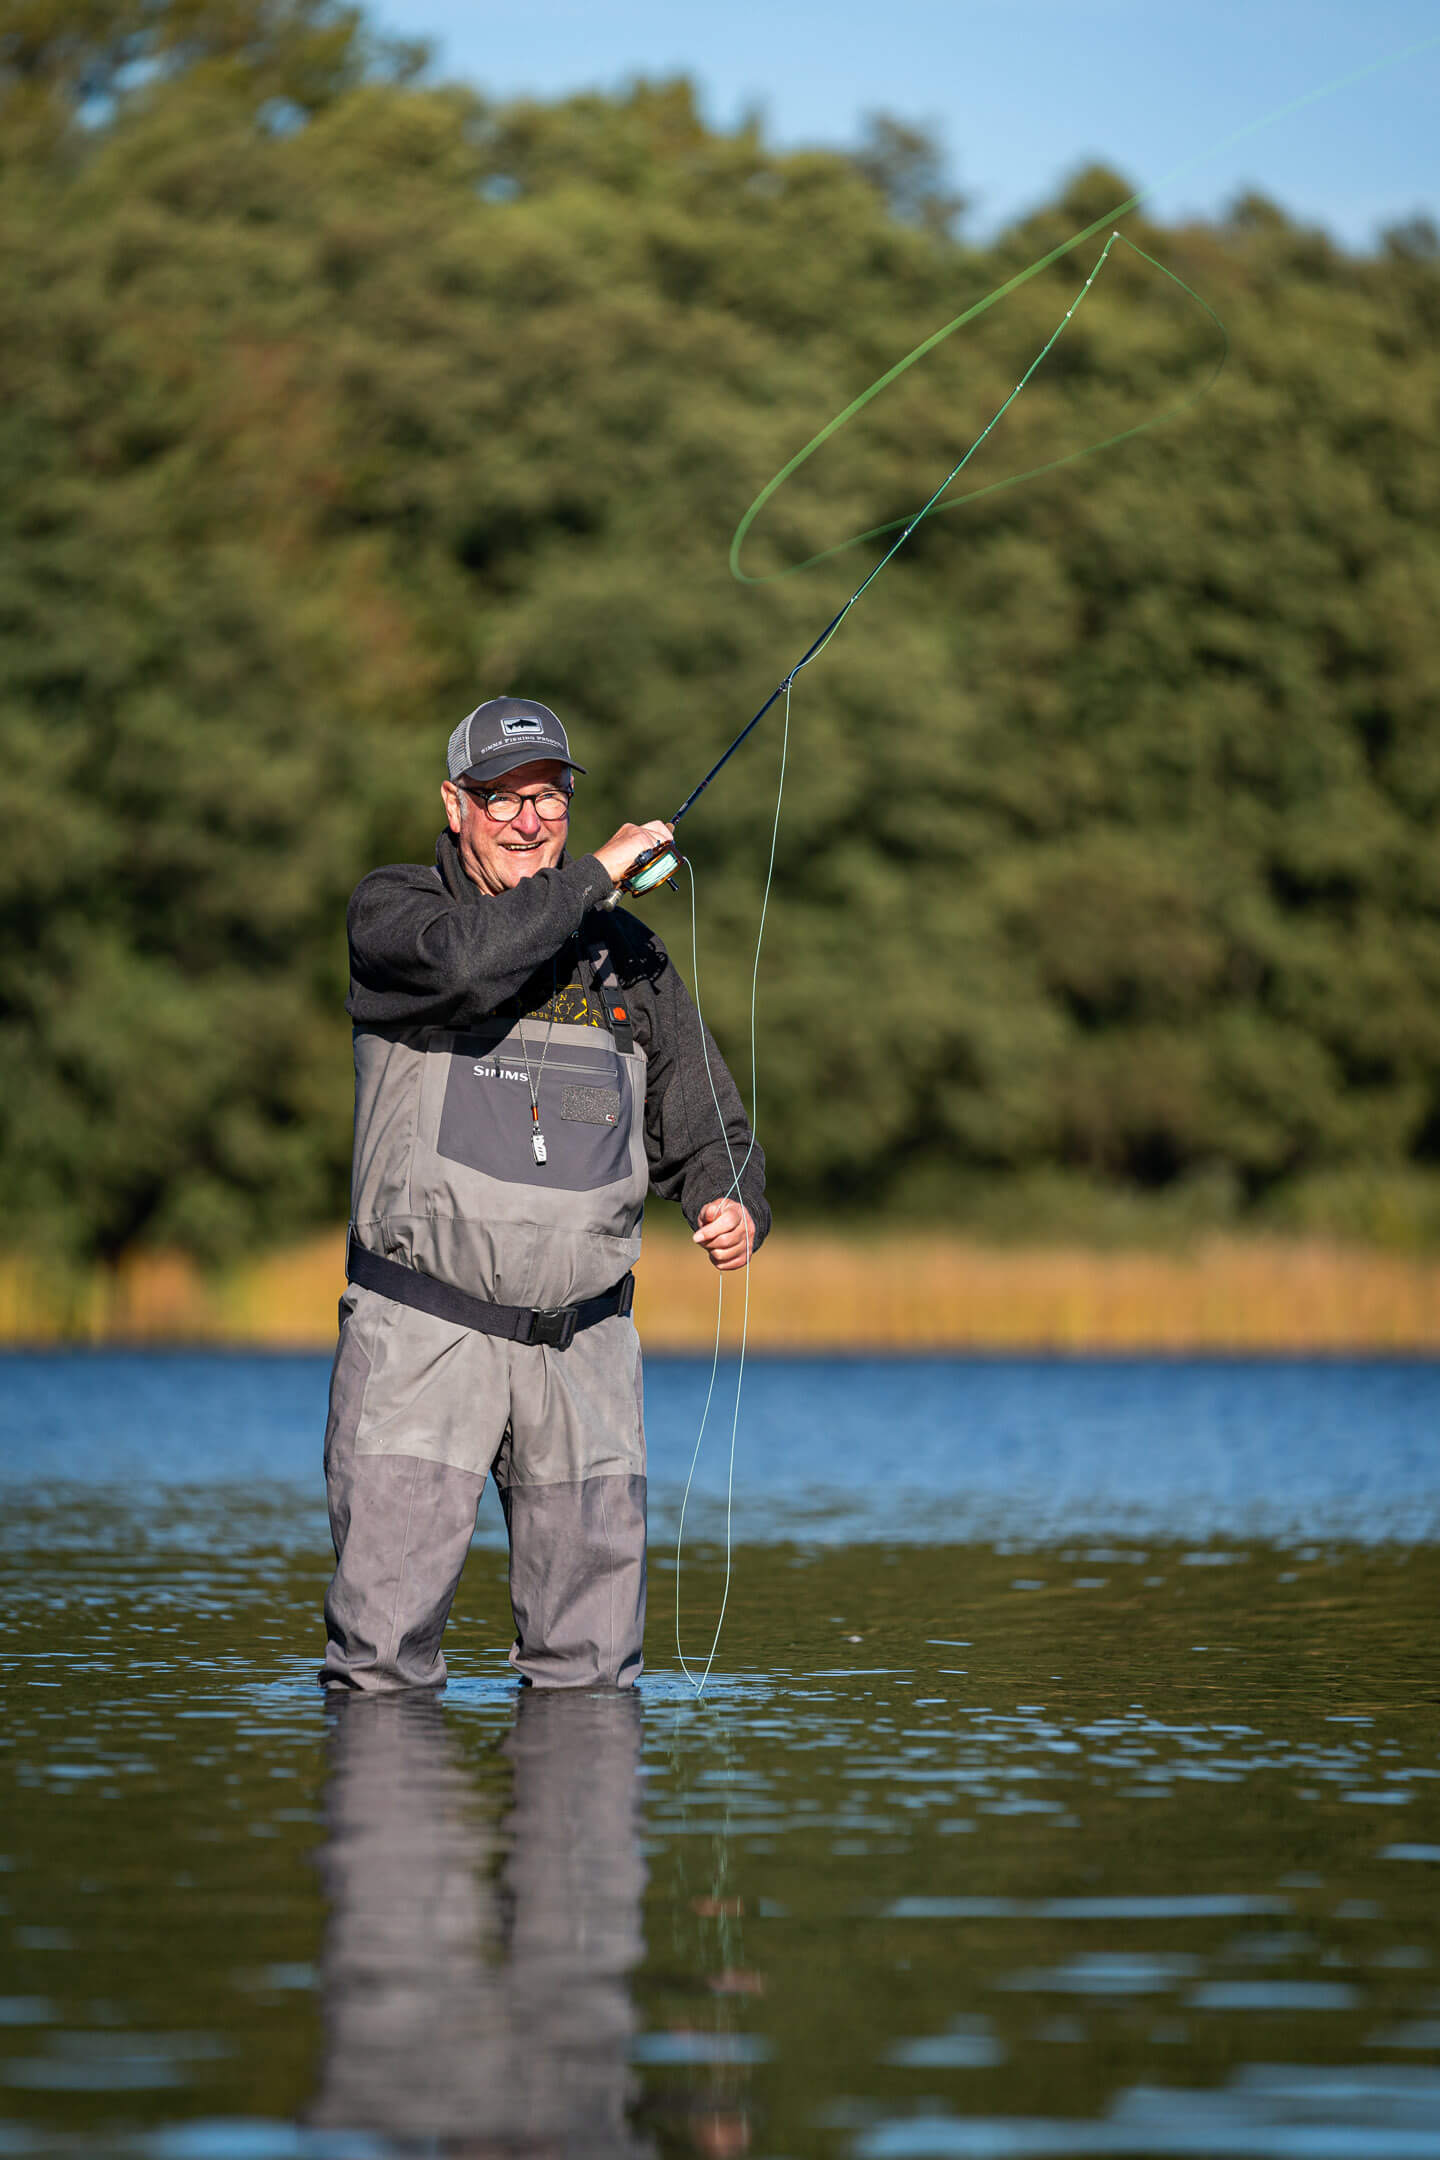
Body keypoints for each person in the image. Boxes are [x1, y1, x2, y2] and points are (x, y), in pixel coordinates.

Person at [320, 696, 769, 1692]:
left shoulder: (634, 962)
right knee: (382, 1662)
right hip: (422, 1340)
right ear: (454, 804)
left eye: (550, 798)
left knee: (594, 1671)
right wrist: (594, 875)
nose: (529, 820)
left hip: (587, 1354)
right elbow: (478, 963)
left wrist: (728, 1203)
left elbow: (709, 1129)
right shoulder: (398, 913)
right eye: (501, 799)